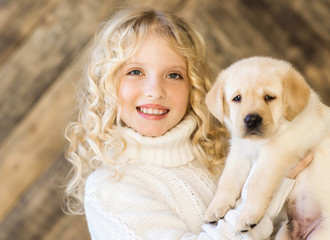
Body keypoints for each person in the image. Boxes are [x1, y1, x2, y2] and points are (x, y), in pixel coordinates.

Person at [64, 9, 312, 239]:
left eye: (173, 75)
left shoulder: (215, 157)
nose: (155, 91)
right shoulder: (111, 188)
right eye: (135, 72)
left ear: (192, 86)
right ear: (107, 83)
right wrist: (269, 189)